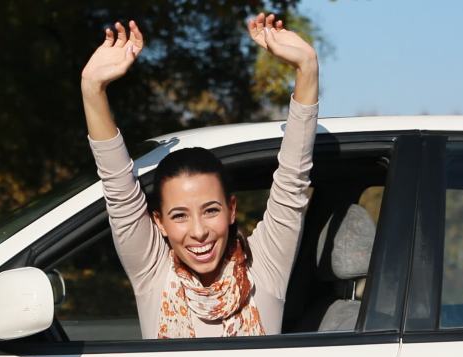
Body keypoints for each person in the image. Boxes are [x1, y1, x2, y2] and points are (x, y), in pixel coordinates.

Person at [80, 13, 318, 338]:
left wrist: (307, 68)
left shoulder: (264, 264)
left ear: (231, 209)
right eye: (179, 215)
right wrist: (92, 89)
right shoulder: (152, 271)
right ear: (159, 222)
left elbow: (293, 177)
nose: (198, 232)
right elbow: (117, 184)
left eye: (211, 210)